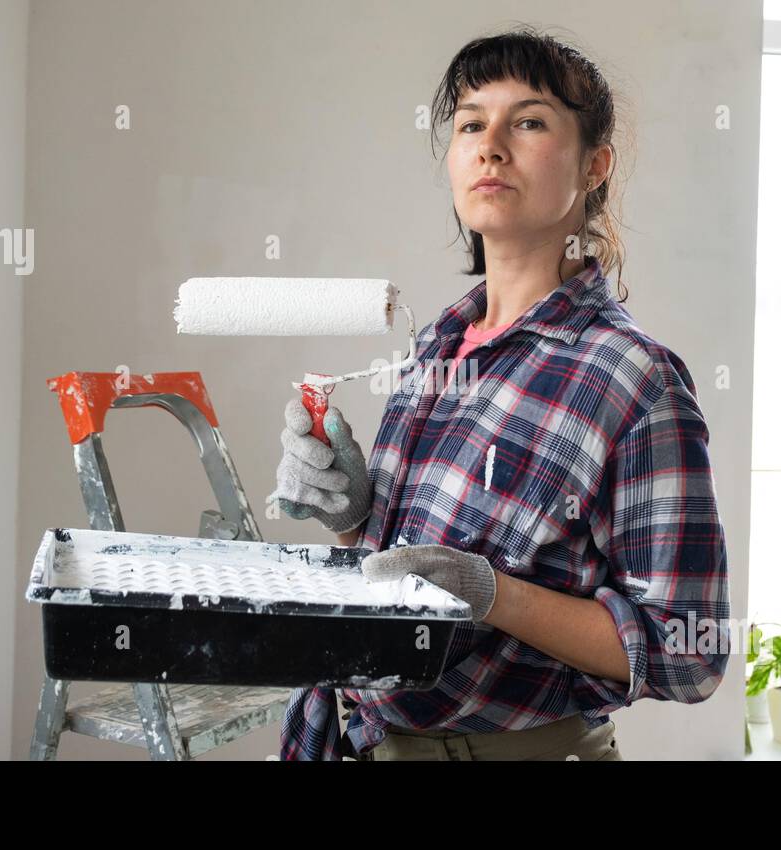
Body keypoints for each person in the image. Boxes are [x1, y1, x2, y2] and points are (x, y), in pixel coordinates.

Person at [267, 26, 731, 761]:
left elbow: (688, 653)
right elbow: (407, 579)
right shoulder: (437, 347)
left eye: (531, 121)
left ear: (595, 164)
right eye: (471, 123)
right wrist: (354, 517)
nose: (491, 144)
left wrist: (493, 594)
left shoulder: (633, 380)